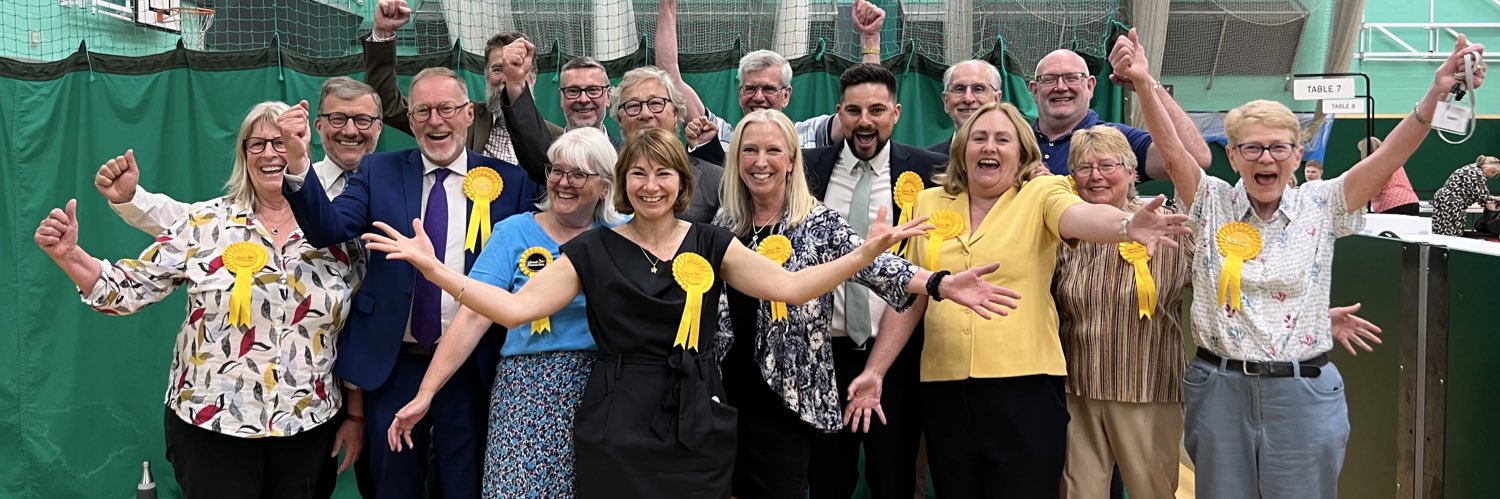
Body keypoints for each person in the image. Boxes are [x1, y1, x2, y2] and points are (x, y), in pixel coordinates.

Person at [364, 126, 937, 499]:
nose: (650, 184)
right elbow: (514, 309)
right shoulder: (589, 250)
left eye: (663, 173)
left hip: (697, 415)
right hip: (617, 416)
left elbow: (789, 289)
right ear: (622, 186)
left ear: (682, 182)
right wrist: (436, 270)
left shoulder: (712, 242)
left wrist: (865, 252)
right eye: (638, 173)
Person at [1142, 29, 1483, 497]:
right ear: (1234, 156)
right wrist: (1143, 82)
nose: (1267, 157)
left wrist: (1436, 93)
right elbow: (1176, 153)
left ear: (1298, 154)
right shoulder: (1210, 201)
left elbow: (1386, 158)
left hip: (1302, 392)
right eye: (1253, 147)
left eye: (1280, 146)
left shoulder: (1323, 204)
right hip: (1218, 388)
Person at [1054, 34, 1382, 495]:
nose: (1096, 176)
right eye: (1085, 168)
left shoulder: (1183, 225)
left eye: (1109, 165)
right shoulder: (1065, 230)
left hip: (1150, 386)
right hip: (1087, 386)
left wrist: (1307, 318)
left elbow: (1229, 286)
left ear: (1133, 172)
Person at [841, 99, 1192, 498]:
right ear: (962, 149)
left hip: (1024, 388)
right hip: (944, 388)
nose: (989, 147)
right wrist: (875, 371)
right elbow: (911, 296)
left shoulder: (1043, 193)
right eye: (980, 138)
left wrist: (1127, 225)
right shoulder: (928, 203)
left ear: (1022, 152)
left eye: (1002, 139)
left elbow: (1080, 217)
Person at [34, 102, 361, 498]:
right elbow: (127, 289)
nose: (270, 154)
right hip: (211, 426)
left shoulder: (341, 235)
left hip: (308, 426)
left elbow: (361, 329)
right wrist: (70, 255)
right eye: (257, 144)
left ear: (301, 150)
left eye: (281, 142)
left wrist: (357, 415)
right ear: (243, 156)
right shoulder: (203, 224)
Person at [711, 109, 1020, 498]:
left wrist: (939, 283)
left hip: (787, 397)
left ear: (791, 160)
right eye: (750, 150)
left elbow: (874, 262)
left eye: (773, 150)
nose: (760, 162)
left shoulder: (817, 222)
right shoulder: (725, 224)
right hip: (726, 392)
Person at [282, 67, 537, 498]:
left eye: (446, 109)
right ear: (411, 119)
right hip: (393, 363)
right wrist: (296, 162)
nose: (436, 121)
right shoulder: (376, 170)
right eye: (423, 111)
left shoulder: (510, 183)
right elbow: (328, 228)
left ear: (469, 114)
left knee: (466, 484)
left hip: (471, 365)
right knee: (393, 485)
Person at [386, 128, 624, 498]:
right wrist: (425, 394)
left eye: (578, 174)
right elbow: (472, 317)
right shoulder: (514, 231)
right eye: (556, 170)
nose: (563, 182)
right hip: (526, 392)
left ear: (605, 186)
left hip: (602, 389)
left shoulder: (624, 235)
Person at [803, 63, 950, 499]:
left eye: (876, 110)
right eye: (854, 110)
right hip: (823, 355)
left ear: (896, 113)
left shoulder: (931, 169)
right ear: (839, 113)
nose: (864, 120)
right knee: (827, 480)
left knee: (894, 477)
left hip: (899, 358)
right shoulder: (807, 169)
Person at [654, 0, 886, 161]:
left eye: (768, 89)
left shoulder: (811, 135)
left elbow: (865, 106)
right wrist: (667, 4)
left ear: (786, 95)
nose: (758, 97)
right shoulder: (720, 136)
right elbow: (670, 78)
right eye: (751, 88)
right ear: (740, 93)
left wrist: (870, 40)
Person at [365, 0, 561, 177]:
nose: (505, 79)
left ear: (533, 75)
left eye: (516, 69)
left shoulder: (556, 137)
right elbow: (387, 104)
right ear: (485, 75)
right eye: (498, 69)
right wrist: (383, 33)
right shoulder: (456, 115)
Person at [1029, 48, 1211, 177]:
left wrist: (1146, 83)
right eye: (1049, 79)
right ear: (1035, 90)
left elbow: (1196, 158)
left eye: (1072, 78)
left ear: (1090, 86)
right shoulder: (1014, 141)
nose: (1061, 87)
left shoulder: (1119, 139)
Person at [929, 60, 1004, 154]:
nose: (968, 99)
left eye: (978, 89)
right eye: (959, 89)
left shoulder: (1021, 160)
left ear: (996, 99)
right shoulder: (927, 163)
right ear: (946, 101)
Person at [556, 56, 619, 145]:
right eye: (573, 91)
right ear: (561, 97)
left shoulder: (627, 157)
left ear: (608, 97)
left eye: (593, 90)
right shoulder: (545, 156)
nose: (583, 99)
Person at [1432, 155, 1499, 235]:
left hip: (1444, 199)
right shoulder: (1478, 175)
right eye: (1492, 172)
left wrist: (1494, 198)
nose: (1491, 176)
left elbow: (1472, 191)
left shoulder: (1471, 168)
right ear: (1487, 166)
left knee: (1440, 229)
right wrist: (1495, 211)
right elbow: (1486, 201)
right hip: (1452, 203)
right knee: (1452, 232)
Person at [1355, 138, 1421, 215]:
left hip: (1391, 205)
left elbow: (1373, 192)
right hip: (1412, 202)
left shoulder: (1374, 166)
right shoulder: (1393, 160)